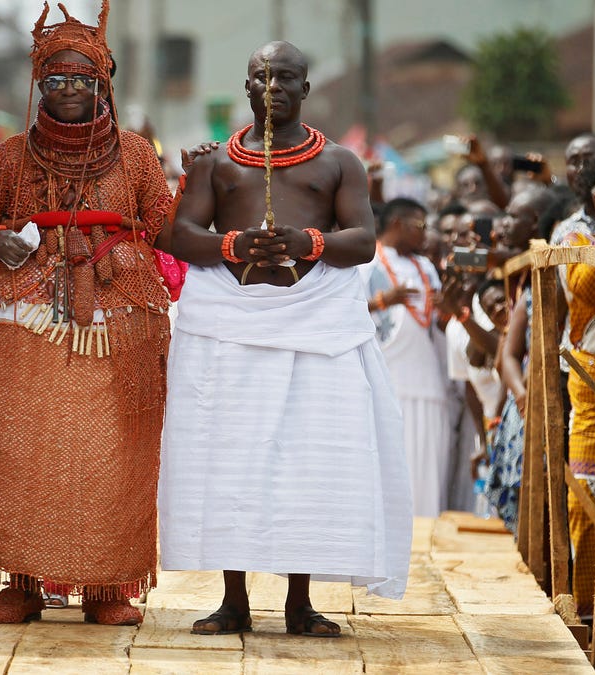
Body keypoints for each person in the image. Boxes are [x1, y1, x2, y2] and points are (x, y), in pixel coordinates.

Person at [161, 40, 410, 638]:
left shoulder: (340, 162)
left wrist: (309, 244)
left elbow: (363, 242)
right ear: (246, 86)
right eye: (260, 78)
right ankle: (233, 601)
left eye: (285, 79)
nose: (271, 88)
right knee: (229, 462)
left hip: (315, 323)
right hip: (231, 323)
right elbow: (180, 235)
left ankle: (300, 602)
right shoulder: (214, 162)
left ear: (305, 87)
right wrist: (233, 245)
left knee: (308, 463)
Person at [0, 1, 172, 626]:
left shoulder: (135, 154)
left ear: (104, 84)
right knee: (15, 449)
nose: (70, 90)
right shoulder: (11, 156)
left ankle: (109, 586)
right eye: (56, 79)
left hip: (116, 317)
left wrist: (204, 188)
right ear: (38, 85)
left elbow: (162, 227)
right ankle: (19, 582)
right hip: (19, 322)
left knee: (114, 449)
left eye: (83, 79)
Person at [362, 198, 450, 518]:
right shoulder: (366, 261)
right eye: (420, 226)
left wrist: (451, 308)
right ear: (398, 223)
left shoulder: (425, 267)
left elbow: (438, 323)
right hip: (387, 379)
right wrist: (383, 301)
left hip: (426, 382)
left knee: (426, 468)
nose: (425, 235)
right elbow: (345, 313)